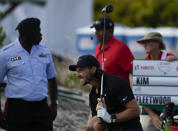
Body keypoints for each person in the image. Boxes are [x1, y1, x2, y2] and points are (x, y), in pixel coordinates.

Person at [0, 18, 58, 131]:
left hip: (41, 107)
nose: (41, 35)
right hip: (17, 109)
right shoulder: (6, 54)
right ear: (28, 35)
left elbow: (52, 79)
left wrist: (54, 104)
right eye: (38, 32)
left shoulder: (44, 52)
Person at [69, 55, 143, 131]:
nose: (78, 75)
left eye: (81, 70)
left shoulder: (115, 83)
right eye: (77, 71)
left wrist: (111, 118)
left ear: (93, 69)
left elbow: (135, 110)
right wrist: (101, 117)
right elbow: (98, 129)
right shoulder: (93, 95)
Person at [86, 17, 135, 131]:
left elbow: (134, 72)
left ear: (110, 31)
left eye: (99, 30)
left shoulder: (120, 48)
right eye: (96, 30)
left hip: (117, 102)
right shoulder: (98, 47)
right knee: (89, 128)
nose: (96, 33)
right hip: (99, 99)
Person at [137, 32, 178, 131]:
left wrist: (175, 64)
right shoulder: (143, 64)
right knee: (145, 126)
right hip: (150, 110)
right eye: (144, 43)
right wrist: (153, 116)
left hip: (172, 109)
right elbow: (142, 94)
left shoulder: (170, 57)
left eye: (148, 42)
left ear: (157, 43)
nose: (144, 45)